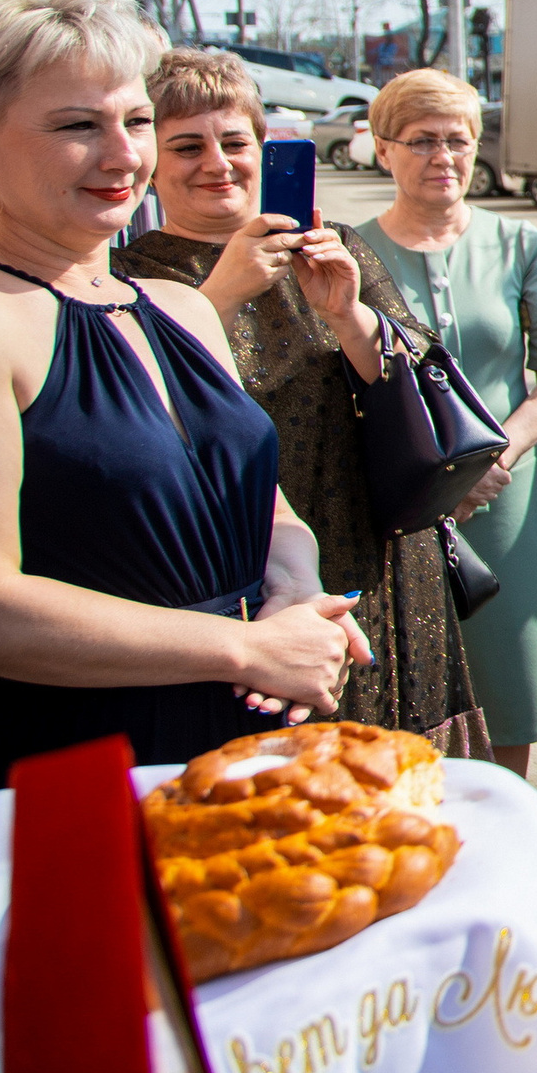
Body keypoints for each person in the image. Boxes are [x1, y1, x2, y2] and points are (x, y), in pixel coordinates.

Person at [0, 0, 368, 789]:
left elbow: (260, 506)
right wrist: (246, 646)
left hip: (247, 736)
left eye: (135, 119)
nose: (124, 153)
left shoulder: (178, 307)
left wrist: (296, 593)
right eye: (76, 125)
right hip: (81, 766)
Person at [117, 47, 488, 755]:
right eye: (187, 146)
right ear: (151, 163)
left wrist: (349, 316)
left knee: (392, 776)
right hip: (244, 565)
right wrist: (218, 296)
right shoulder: (133, 275)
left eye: (235, 142)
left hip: (377, 554)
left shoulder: (333, 244)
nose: (217, 164)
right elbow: (143, 408)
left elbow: (423, 382)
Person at [361, 68, 537, 779]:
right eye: (421, 140)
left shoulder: (518, 243)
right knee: (400, 692)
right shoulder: (351, 250)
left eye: (458, 139)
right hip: (392, 507)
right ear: (382, 147)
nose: (443, 156)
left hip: (504, 497)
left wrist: (494, 460)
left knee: (507, 685)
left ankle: (504, 839)